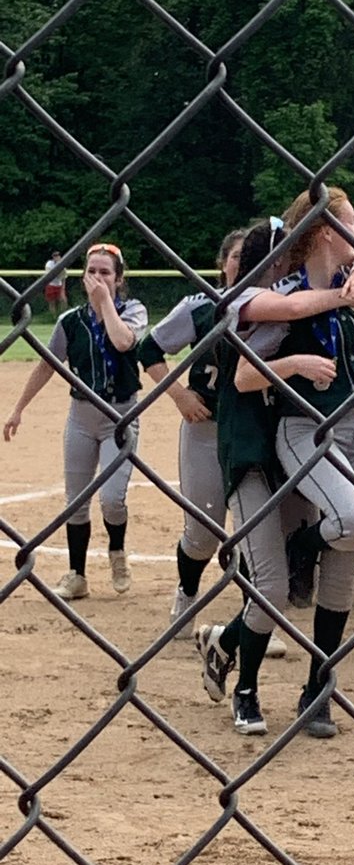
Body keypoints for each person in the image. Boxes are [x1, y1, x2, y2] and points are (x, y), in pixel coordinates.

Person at [232, 188, 354, 739]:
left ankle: (317, 689)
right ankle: (301, 551)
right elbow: (244, 376)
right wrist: (294, 364)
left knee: (346, 567)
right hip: (309, 429)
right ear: (326, 231)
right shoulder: (289, 294)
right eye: (353, 225)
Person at [138, 228, 292, 652]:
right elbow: (148, 350)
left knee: (254, 528)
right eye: (236, 256)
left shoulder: (279, 309)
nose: (242, 263)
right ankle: (187, 592)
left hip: (253, 432)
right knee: (204, 531)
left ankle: (255, 615)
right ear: (223, 262)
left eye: (250, 256)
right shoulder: (201, 307)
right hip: (207, 428)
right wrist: (179, 395)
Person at [4, 242, 147, 599]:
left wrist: (106, 305)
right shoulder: (71, 321)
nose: (97, 278)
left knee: (112, 499)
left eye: (105, 273)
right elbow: (46, 366)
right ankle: (77, 574)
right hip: (81, 417)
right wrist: (18, 408)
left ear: (118, 279)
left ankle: (117, 551)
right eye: (91, 272)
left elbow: (122, 341)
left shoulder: (133, 311)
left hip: (121, 416)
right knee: (76, 499)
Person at [43, 250, 68, 317]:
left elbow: (63, 278)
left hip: (59, 285)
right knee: (52, 302)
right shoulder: (49, 263)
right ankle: (53, 317)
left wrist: (63, 289)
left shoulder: (63, 265)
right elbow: (50, 273)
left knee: (63, 300)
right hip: (51, 284)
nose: (56, 257)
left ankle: (64, 316)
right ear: (53, 257)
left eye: (57, 256)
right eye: (55, 256)